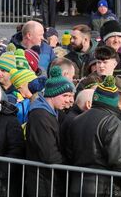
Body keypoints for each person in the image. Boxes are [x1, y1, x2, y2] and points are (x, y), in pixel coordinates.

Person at [66, 76, 121, 196]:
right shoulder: (114, 123)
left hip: (77, 184)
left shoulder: (76, 120)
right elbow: (120, 160)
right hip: (104, 187)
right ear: (113, 101)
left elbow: (68, 153)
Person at [25, 66, 75, 197]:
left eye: (71, 96)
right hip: (41, 180)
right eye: (65, 95)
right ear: (53, 94)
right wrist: (69, 167)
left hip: (48, 178)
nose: (69, 100)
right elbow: (48, 153)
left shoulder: (55, 113)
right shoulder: (39, 116)